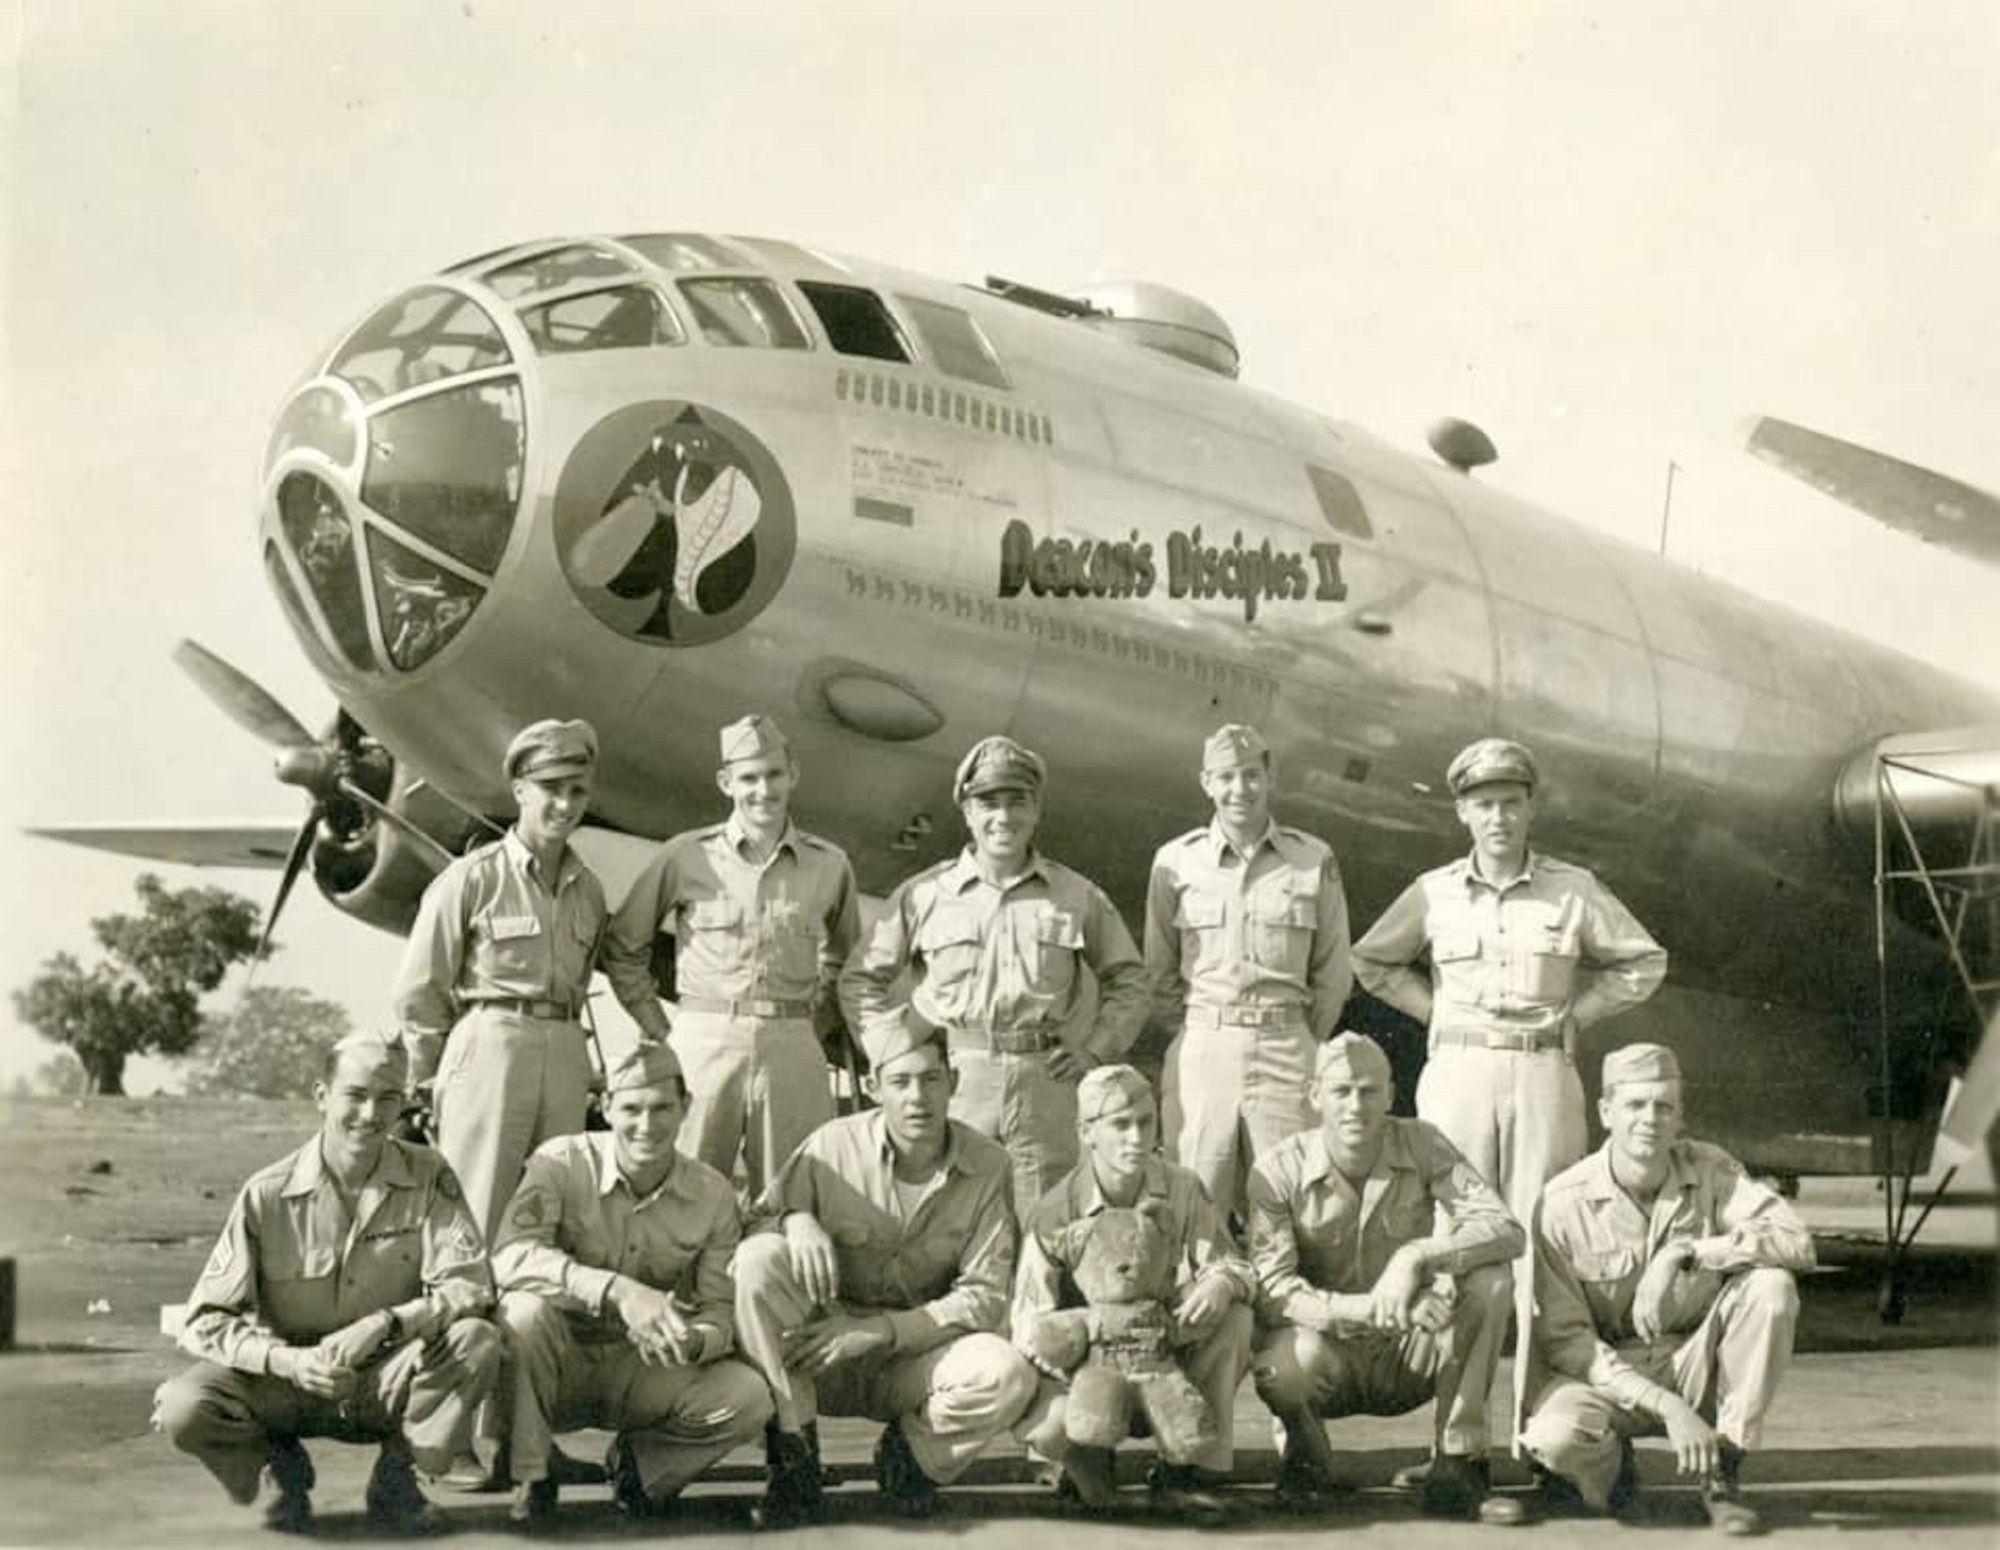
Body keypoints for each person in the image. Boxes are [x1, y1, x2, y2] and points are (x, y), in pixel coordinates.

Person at [152, 1035, 499, 1534]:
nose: (370, 1113)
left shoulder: (429, 1175)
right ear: (322, 1096)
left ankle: (399, 1477)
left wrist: (386, 1323)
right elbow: (204, 1321)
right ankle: (278, 1467)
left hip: (383, 1379)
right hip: (285, 1384)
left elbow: (470, 1286)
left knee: (478, 1341)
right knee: (184, 1407)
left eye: (387, 1098)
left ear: (403, 1102)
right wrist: (289, 1362)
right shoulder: (267, 1193)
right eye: (354, 1095)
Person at [732, 1008, 1039, 1526]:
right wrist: (796, 1218)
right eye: (900, 1082)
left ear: (953, 1083)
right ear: (875, 1087)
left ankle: (911, 1458)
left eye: (930, 1079)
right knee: (759, 1258)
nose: (917, 1097)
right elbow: (750, 1226)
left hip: (911, 1357)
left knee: (1005, 1373)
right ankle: (794, 1462)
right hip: (817, 1356)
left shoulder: (989, 1166)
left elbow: (985, 1296)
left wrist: (877, 1332)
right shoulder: (830, 1147)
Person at [1351, 736, 1668, 1233]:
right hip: (1460, 1072)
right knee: (1455, 1219)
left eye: (1510, 805)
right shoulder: (1434, 893)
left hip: (1541, 1070)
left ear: (1531, 808)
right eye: (1483, 806)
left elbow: (1643, 962)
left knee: (1544, 1223)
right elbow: (1372, 960)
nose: (1498, 819)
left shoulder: (1573, 889)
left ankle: (1532, 1316)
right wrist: (1433, 1012)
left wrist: (1580, 1014)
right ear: (1462, 812)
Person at [840, 734, 1150, 1217]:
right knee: (949, 1216)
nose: (1002, 817)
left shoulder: (1075, 894)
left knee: (1044, 1223)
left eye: (1016, 802)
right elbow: (860, 979)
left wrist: (1095, 1049)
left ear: (1036, 809)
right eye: (988, 803)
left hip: (1044, 1084)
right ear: (967, 811)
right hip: (961, 1081)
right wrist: (891, 1054)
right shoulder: (926, 894)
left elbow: (1130, 980)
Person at [1521, 1043, 1813, 1534]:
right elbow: (1568, 1343)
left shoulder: (1710, 1169)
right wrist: (1667, 1407)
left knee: (1772, 1289)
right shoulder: (1561, 1203)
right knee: (1555, 1440)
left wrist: (1688, 1254)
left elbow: (1796, 1242)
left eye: (1664, 1106)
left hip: (1692, 1363)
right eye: (1635, 1105)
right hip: (1606, 1376)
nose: (1650, 1119)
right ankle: (1613, 1474)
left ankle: (1724, 1469)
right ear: (1606, 1112)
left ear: (1680, 1115)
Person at [490, 1043, 774, 1530]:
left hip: (640, 1362)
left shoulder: (712, 1193)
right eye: (631, 1109)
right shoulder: (561, 1163)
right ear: (605, 1109)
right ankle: (532, 1474)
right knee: (522, 1314)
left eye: (663, 1108)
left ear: (686, 1107)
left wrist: (694, 1340)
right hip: (557, 1362)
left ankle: (640, 1468)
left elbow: (720, 1312)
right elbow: (510, 1257)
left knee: (747, 1396)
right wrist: (617, 1290)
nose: (647, 1125)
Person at [1246, 1033, 1525, 1523]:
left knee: (1491, 1281)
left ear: (1392, 1095)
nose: (1356, 1105)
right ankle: (1307, 1461)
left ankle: (1458, 1464)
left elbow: (1505, 1229)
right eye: (1342, 1091)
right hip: (1328, 1355)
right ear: (1314, 1096)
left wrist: (1418, 1257)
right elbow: (1274, 1289)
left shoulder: (1423, 1143)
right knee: (1283, 1363)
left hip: (1407, 1352)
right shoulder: (1277, 1170)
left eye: (1369, 1091)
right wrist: (1377, 1305)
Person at [601, 714, 860, 1200]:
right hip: (704, 1042)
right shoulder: (687, 856)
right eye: (748, 778)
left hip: (792, 1046)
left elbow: (845, 960)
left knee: (796, 1195)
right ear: (726, 783)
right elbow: (623, 947)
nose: (763, 790)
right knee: (681, 1190)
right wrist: (664, 1031)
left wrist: (809, 1025)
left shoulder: (829, 864)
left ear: (793, 774)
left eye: (774, 775)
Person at [393, 718, 610, 1247]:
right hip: (491, 1045)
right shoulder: (471, 879)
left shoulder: (590, 891)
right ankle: (464, 1319)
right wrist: (424, 1081)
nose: (565, 804)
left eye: (576, 791)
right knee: (475, 1203)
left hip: (563, 1048)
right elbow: (421, 990)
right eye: (550, 790)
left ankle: (534, 1322)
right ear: (519, 791)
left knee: (555, 1203)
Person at [1013, 1064, 1256, 1513]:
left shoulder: (1181, 1187)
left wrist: (1221, 1282)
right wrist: (1088, 1348)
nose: (1136, 1138)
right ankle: (1085, 1456)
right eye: (1120, 1125)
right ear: (1086, 1131)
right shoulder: (1055, 1209)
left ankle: (1188, 1466)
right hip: (1086, 1370)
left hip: (1163, 1358)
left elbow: (1234, 1263)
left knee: (1236, 1318)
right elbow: (1028, 1323)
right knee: (1051, 1429)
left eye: (1146, 1122)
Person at [1145, 724, 1353, 1220]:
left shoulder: (1312, 859)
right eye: (1227, 778)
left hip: (1286, 1048)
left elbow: (1333, 969)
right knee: (1196, 1196)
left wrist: (1299, 1035)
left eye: (1251, 775)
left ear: (1270, 777)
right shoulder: (1176, 862)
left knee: (1295, 1199)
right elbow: (1158, 969)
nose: (1240, 790)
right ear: (1206, 783)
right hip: (1204, 1048)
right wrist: (1200, 1030)